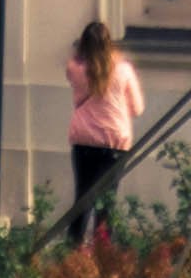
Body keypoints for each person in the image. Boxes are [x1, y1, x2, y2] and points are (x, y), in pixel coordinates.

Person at [63, 21, 147, 237]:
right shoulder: (124, 70)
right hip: (114, 142)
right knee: (106, 203)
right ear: (109, 43)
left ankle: (72, 249)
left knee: (82, 199)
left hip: (84, 140)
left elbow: (75, 73)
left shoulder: (75, 68)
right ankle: (103, 250)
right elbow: (138, 108)